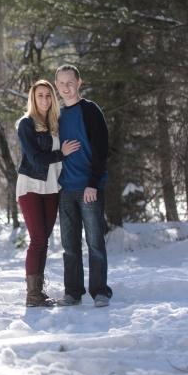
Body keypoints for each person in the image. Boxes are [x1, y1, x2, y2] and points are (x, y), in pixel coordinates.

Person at [16, 80, 79, 307]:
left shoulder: (56, 124)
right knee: (38, 240)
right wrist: (61, 153)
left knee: (44, 242)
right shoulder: (26, 124)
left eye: (48, 95)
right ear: (33, 99)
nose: (44, 99)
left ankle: (38, 293)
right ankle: (32, 295)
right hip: (31, 187)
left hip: (52, 187)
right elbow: (34, 158)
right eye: (40, 95)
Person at [54, 64, 113, 308]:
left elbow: (101, 148)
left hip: (89, 187)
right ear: (56, 86)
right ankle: (73, 292)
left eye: (70, 82)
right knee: (69, 246)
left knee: (95, 243)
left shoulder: (90, 110)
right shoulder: (56, 116)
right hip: (65, 190)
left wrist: (93, 184)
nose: (66, 87)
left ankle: (100, 291)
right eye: (61, 83)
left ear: (78, 83)